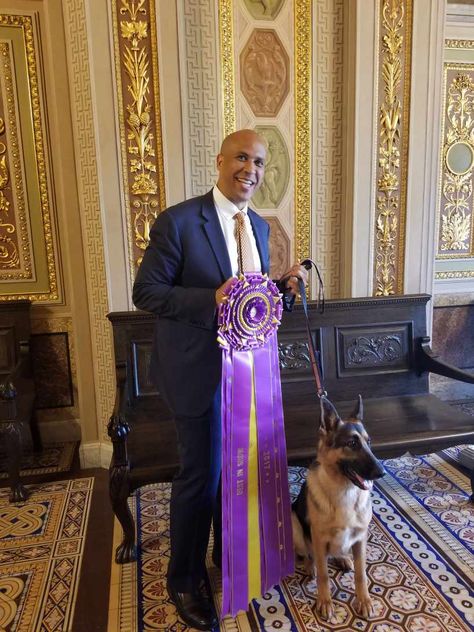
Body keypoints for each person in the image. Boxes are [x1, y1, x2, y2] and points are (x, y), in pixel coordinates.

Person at [133, 129, 308, 630]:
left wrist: (282, 291)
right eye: (241, 158)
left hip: (247, 378)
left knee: (237, 474)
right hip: (195, 372)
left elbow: (250, 301)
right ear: (219, 160)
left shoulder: (258, 226)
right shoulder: (180, 221)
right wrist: (209, 298)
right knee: (201, 475)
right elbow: (147, 292)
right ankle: (183, 579)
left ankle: (223, 553)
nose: (249, 170)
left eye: (258, 162)